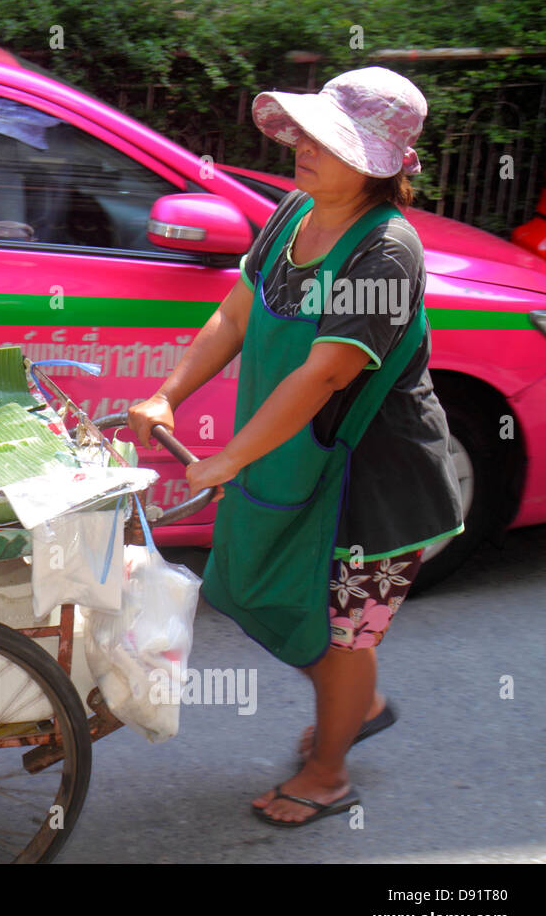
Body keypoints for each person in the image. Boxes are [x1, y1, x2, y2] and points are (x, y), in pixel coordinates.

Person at [129, 67, 464, 827]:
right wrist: (165, 394)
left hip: (376, 487)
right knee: (260, 591)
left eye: (329, 140)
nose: (304, 147)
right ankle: (360, 700)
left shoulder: (386, 254)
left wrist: (232, 456)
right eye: (307, 131)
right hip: (295, 458)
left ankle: (329, 771)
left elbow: (322, 375)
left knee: (341, 635)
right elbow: (234, 315)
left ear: (379, 163)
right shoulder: (293, 213)